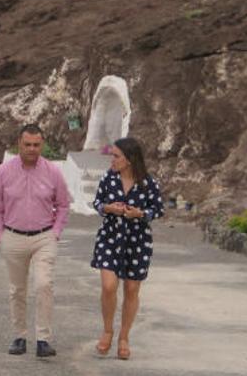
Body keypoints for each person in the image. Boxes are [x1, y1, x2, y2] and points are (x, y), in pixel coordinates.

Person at [0, 123, 70, 358]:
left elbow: (63, 204)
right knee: (17, 290)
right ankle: (19, 336)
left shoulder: (53, 171)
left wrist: (55, 232)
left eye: (36, 144)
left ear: (42, 144)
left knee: (44, 284)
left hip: (44, 237)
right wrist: (0, 234)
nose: (32, 149)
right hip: (12, 236)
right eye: (28, 144)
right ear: (19, 144)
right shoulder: (4, 171)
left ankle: (43, 339)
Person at [90, 137, 164, 360]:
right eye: (112, 155)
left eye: (116, 156)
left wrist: (140, 214)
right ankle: (107, 330)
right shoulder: (108, 179)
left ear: (130, 159)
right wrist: (107, 208)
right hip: (110, 236)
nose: (112, 159)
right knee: (109, 286)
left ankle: (124, 337)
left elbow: (158, 210)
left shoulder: (148, 183)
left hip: (137, 240)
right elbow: (97, 203)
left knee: (132, 290)